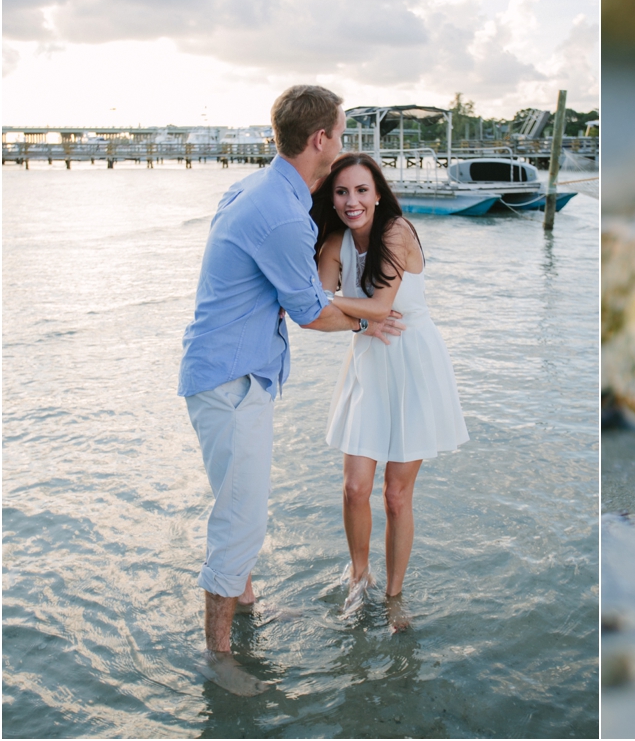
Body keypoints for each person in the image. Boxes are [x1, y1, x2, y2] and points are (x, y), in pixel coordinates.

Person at [178, 85, 402, 695]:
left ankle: (245, 603)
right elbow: (309, 312)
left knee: (237, 499)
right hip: (230, 381)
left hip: (227, 373)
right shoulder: (280, 213)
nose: (346, 145)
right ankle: (220, 658)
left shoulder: (257, 188)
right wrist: (369, 319)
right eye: (342, 132)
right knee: (242, 519)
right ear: (320, 139)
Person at [312, 154, 468, 628]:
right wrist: (356, 318)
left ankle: (394, 597)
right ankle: (360, 578)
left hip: (413, 362)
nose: (351, 201)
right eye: (341, 192)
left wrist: (347, 309)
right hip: (367, 362)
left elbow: (379, 304)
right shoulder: (335, 240)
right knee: (354, 487)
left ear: (378, 193)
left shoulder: (397, 231)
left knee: (396, 495)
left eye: (361, 190)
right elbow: (317, 316)